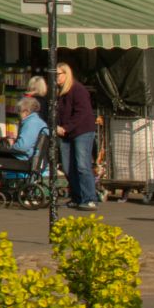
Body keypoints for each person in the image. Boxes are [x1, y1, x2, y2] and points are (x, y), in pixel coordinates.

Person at [55, 56, 100, 212]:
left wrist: (65, 127)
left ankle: (90, 198)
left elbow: (82, 113)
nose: (56, 78)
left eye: (58, 74)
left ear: (66, 74)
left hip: (82, 131)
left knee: (82, 165)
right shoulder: (60, 92)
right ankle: (77, 197)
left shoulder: (78, 89)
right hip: (66, 134)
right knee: (67, 167)